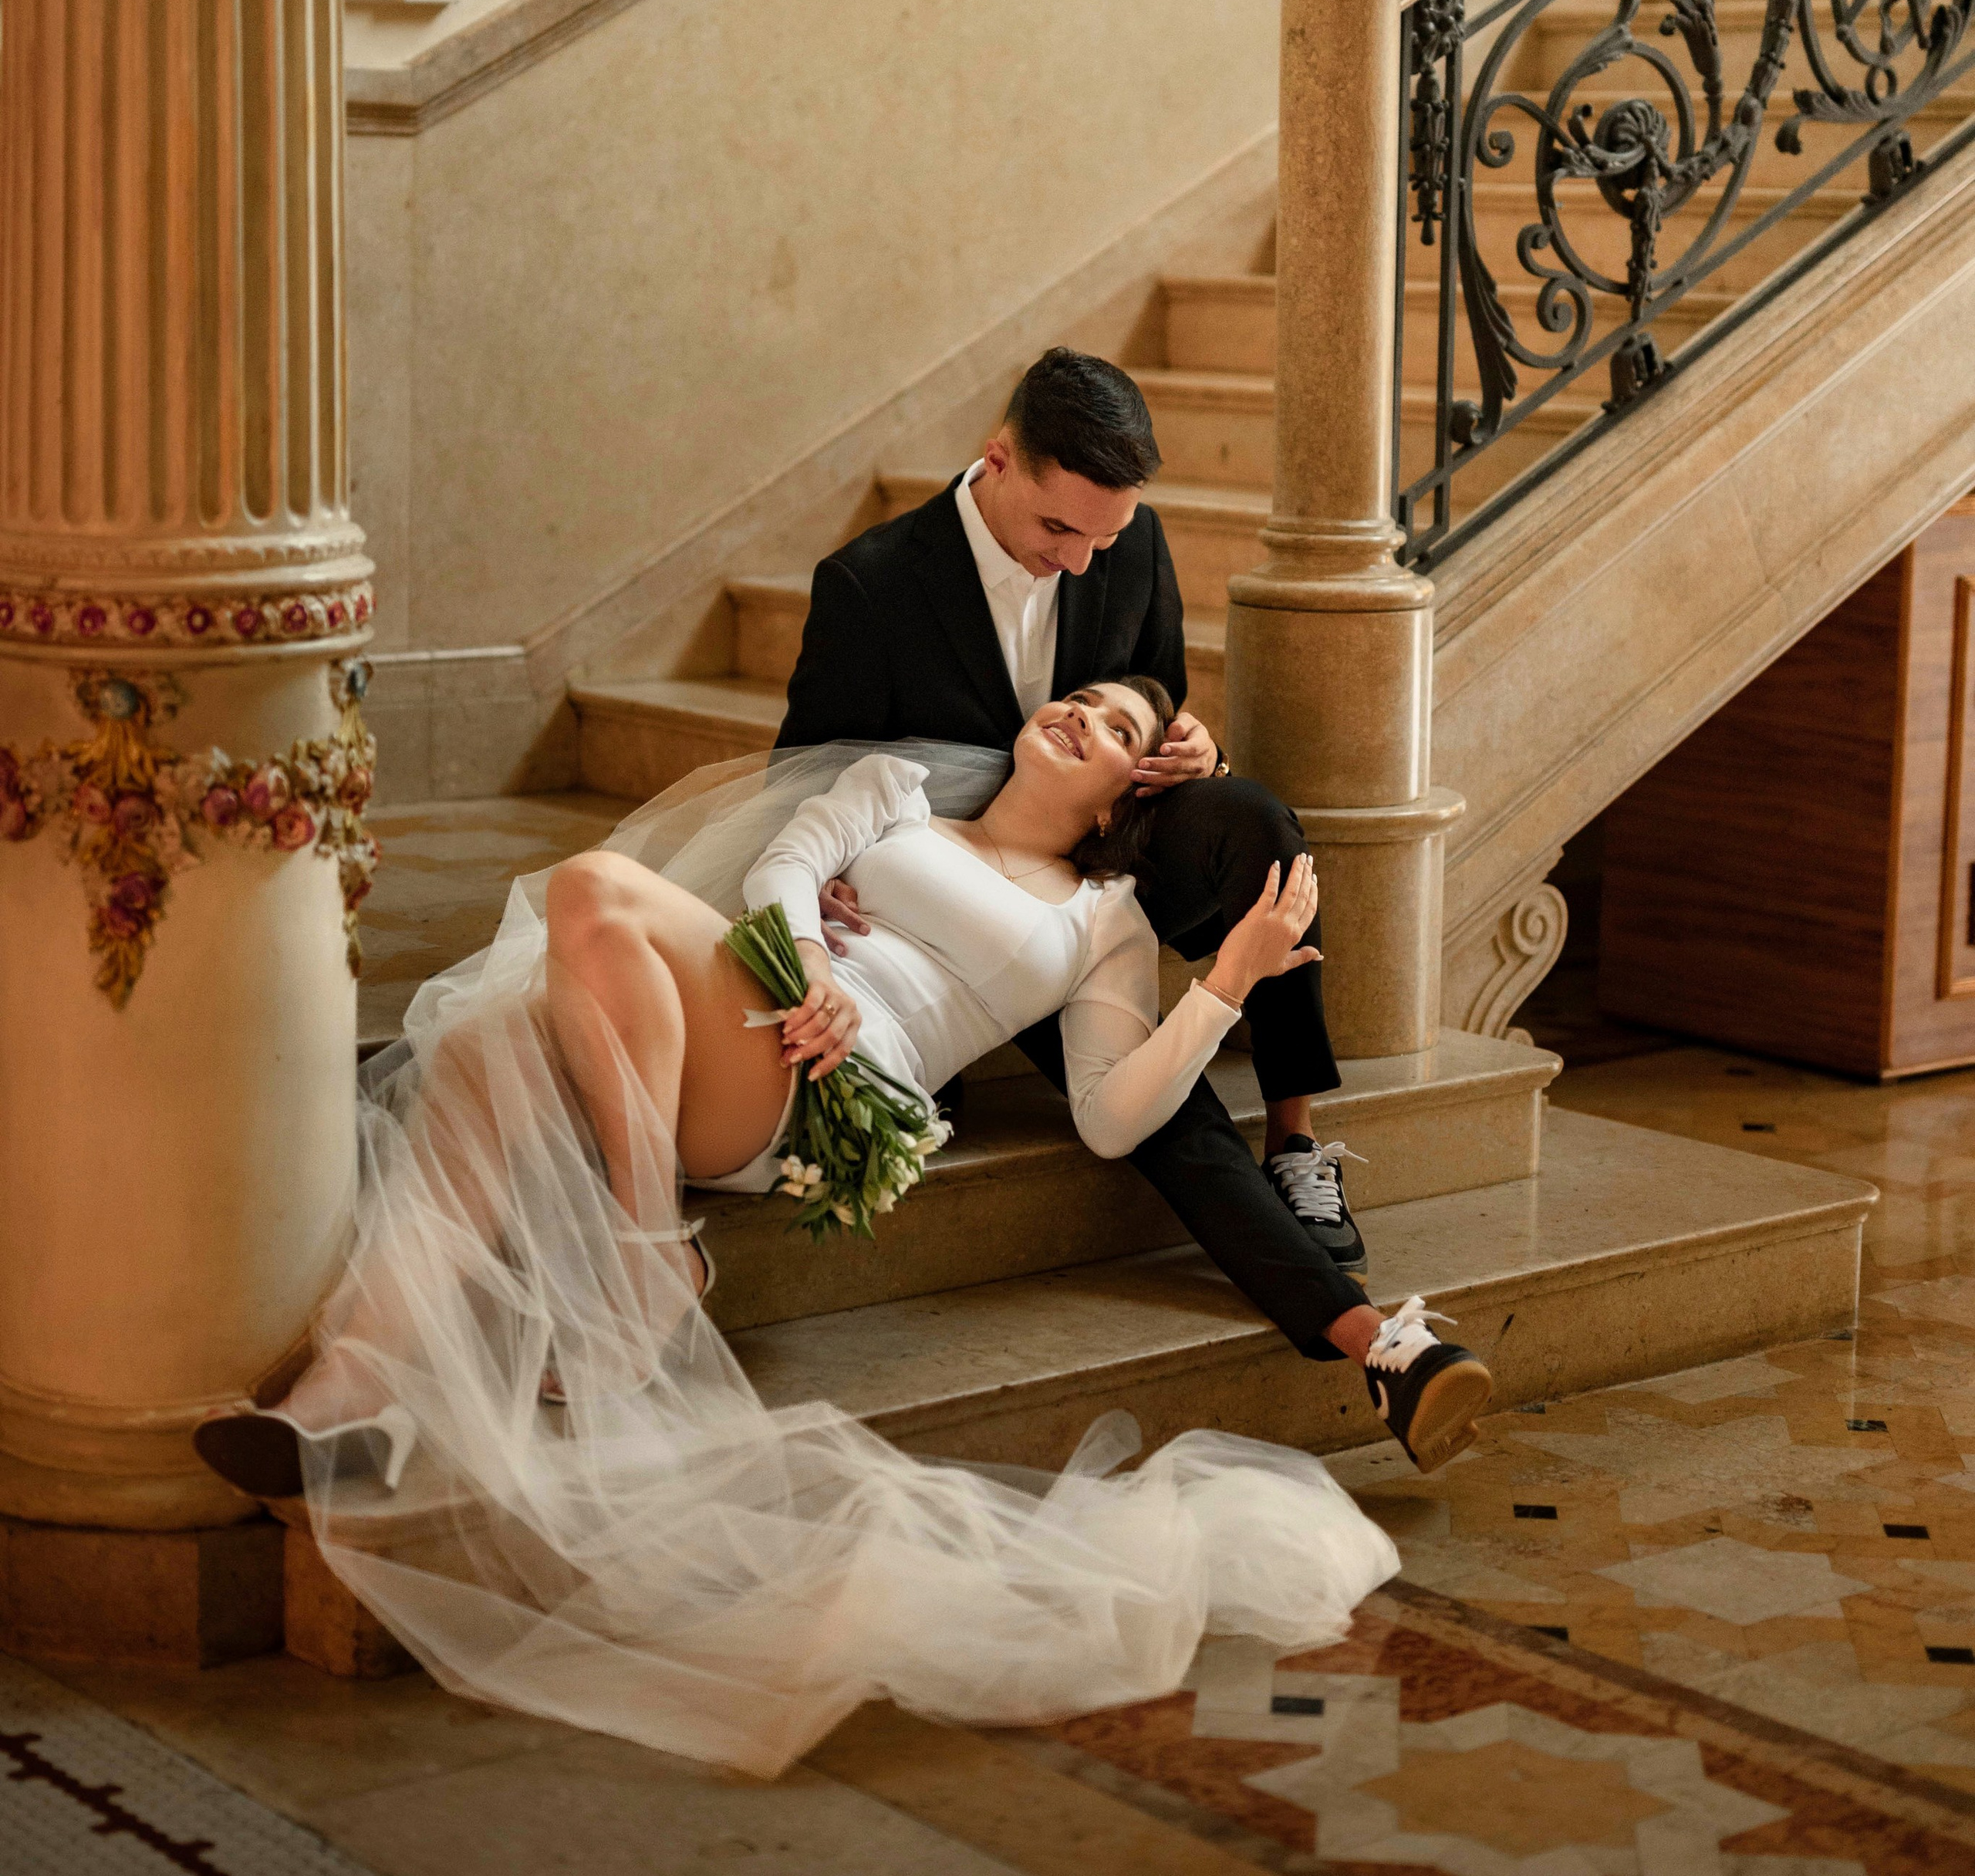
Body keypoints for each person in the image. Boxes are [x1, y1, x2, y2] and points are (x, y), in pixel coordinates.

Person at [192, 684, 1490, 1780]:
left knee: (590, 889)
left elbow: (1111, 1121)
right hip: (769, 1003)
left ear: (1125, 798)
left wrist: (1220, 991)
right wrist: (809, 959)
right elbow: (782, 867)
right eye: (1077, 698)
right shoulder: (892, 790)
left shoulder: (1100, 923)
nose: (1077, 714)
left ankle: (649, 1258)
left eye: (1110, 727)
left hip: (826, 1101)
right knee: (487, 1042)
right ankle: (345, 1401)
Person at [780, 347, 1377, 1341]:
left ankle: (1296, 1139)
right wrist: (833, 870)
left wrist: (1193, 745)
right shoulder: (871, 585)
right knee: (1157, 1106)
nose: (1082, 560)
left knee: (1262, 828)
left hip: (1095, 857)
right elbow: (800, 770)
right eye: (1060, 527)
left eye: (1107, 533)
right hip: (947, 888)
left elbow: (1154, 691)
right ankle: (1356, 1330)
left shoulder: (1124, 545)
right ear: (998, 459)